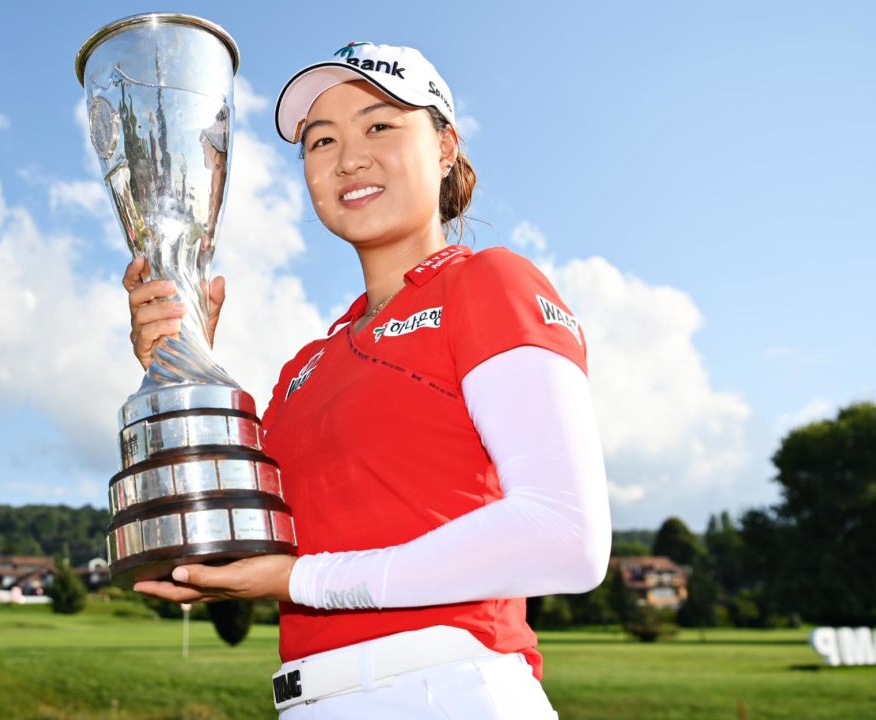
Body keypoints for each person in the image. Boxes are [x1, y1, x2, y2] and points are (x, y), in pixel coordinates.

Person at [122, 41, 611, 718]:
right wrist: (180, 365)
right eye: (320, 141)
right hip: (309, 700)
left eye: (380, 125)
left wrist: (302, 580)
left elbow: (568, 538)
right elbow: (237, 530)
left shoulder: (490, 283)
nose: (349, 157)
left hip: (448, 689)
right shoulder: (306, 369)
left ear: (444, 147)